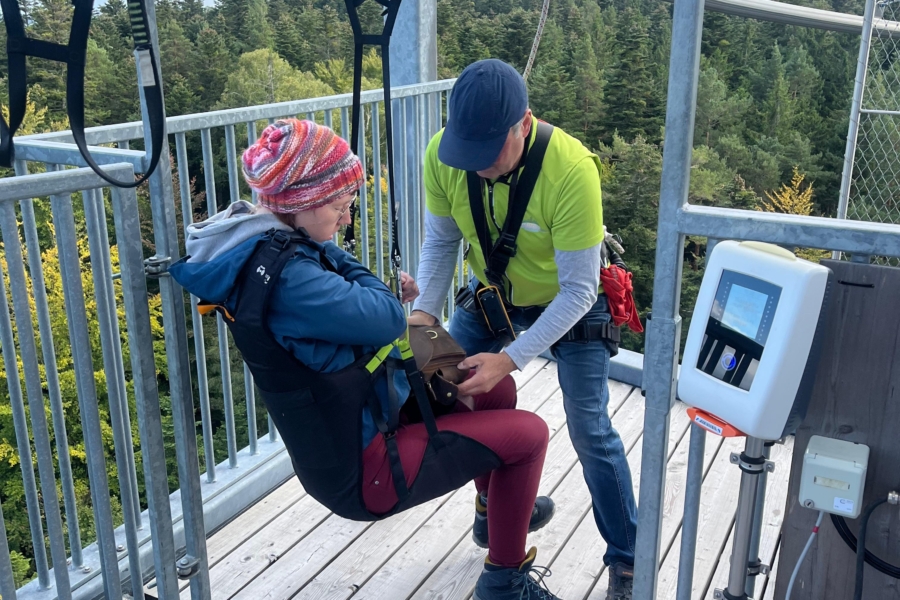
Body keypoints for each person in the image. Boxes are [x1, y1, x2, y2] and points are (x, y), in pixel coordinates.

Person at [168, 119, 564, 600]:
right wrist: (350, 267)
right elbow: (387, 317)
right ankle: (505, 583)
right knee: (530, 435)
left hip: (369, 410)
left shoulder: (269, 248)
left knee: (494, 386)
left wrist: (327, 248)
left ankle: (494, 513)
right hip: (368, 468)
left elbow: (373, 314)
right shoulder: (292, 278)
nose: (346, 219)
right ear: (301, 204)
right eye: (341, 207)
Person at [408, 59, 639, 600]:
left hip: (571, 303)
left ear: (525, 124)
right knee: (446, 389)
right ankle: (495, 505)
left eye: (490, 153)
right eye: (469, 152)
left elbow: (579, 291)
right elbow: (441, 242)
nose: (479, 167)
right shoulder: (443, 156)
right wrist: (424, 318)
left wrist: (510, 360)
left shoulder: (571, 170)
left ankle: (629, 559)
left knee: (589, 429)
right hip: (494, 297)